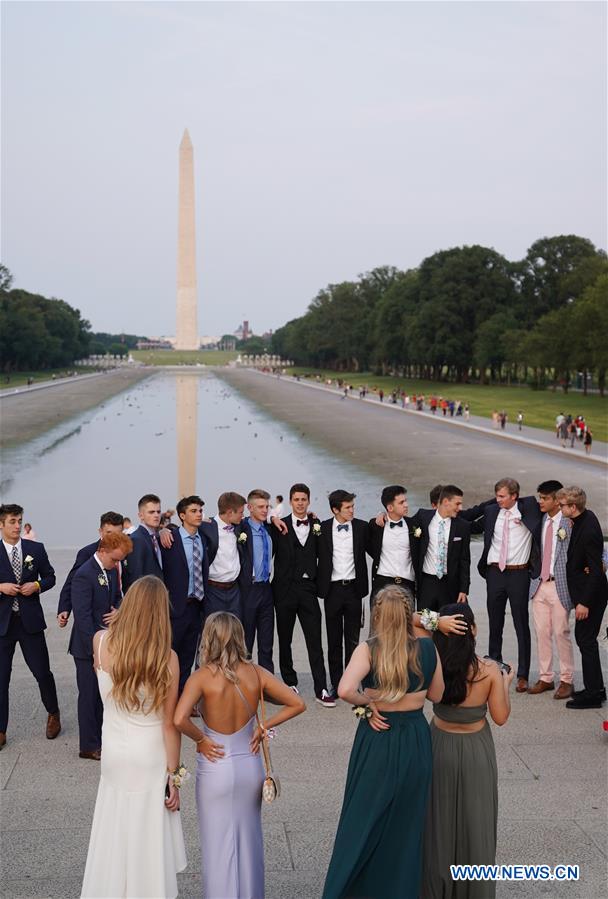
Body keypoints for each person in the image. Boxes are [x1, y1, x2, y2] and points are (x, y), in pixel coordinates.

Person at [322, 586, 444, 899]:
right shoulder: (428, 650)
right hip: (415, 739)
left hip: (377, 736)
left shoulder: (368, 649)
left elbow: (345, 688)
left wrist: (367, 706)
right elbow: (438, 695)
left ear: (376, 615)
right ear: (408, 615)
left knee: (362, 821)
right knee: (407, 824)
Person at [174, 612, 305, 899]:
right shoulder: (256, 673)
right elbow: (297, 703)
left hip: (214, 766)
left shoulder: (201, 678)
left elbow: (179, 718)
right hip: (249, 764)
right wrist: (263, 726)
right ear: (240, 638)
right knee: (249, 841)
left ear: (208, 640)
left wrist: (201, 739)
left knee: (216, 845)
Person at [81, 576, 187, 897]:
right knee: (147, 832)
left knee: (115, 826)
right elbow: (170, 723)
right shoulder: (166, 659)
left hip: (114, 752)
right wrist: (175, 775)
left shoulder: (100, 642)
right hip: (150, 754)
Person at [422, 603, 514, 899]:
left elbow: (411, 625)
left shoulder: (430, 663)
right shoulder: (488, 671)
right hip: (476, 751)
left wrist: (435, 622)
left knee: (437, 826)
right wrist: (506, 684)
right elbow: (500, 717)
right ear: (473, 630)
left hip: (439, 745)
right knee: (477, 824)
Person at [465, 478, 541, 693]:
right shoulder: (491, 512)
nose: (498, 500)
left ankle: (523, 674)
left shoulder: (530, 509)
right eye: (496, 496)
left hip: (519, 573)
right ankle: (495, 667)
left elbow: (546, 505)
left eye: (502, 496)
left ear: (514, 496)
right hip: (494, 573)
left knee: (520, 623)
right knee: (495, 621)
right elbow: (468, 525)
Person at [0, 504, 60, 749]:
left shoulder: (36, 548)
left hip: (30, 623)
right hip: (2, 625)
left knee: (42, 672)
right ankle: (1, 730)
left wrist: (36, 586)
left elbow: (50, 577)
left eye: (19, 521)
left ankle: (53, 713)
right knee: (1, 679)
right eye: (12, 521)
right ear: (1, 525)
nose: (17, 526)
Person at [69, 531, 132, 759]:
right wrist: (95, 650)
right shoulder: (84, 574)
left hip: (108, 642)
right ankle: (88, 745)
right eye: (115, 559)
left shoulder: (111, 571)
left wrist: (118, 611)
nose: (117, 564)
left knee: (104, 694)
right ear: (102, 551)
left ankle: (103, 739)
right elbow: (83, 617)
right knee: (88, 696)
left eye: (119, 560)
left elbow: (117, 597)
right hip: (87, 647)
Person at [272, 483, 334, 707]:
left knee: (315, 640)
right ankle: (289, 682)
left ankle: (321, 688)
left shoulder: (317, 525)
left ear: (308, 501)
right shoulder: (278, 525)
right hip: (285, 590)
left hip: (308, 590)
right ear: (290, 501)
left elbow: (325, 555)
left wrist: (322, 586)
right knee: (285, 639)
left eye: (303, 499)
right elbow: (252, 528)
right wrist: (271, 517)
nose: (300, 503)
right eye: (296, 499)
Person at [557, 487, 608, 709]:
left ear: (573, 507)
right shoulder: (581, 519)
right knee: (586, 640)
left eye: (562, 506)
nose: (560, 509)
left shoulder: (587, 530)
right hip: (587, 593)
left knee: (586, 640)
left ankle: (593, 695)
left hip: (591, 597)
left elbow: (596, 571)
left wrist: (584, 603)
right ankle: (595, 688)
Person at [317, 490, 370, 699]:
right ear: (335, 509)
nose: (352, 510)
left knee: (353, 640)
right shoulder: (321, 528)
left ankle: (353, 681)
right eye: (347, 507)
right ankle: (337, 683)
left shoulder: (362, 527)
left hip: (354, 590)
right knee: (333, 640)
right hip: (332, 590)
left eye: (352, 506)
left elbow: (378, 537)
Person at [527, 481, 574, 700]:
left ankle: (567, 680)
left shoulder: (569, 521)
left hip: (560, 585)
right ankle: (546, 677)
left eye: (545, 498)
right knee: (542, 632)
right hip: (539, 584)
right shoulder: (540, 519)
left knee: (560, 632)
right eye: (540, 497)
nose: (540, 502)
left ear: (557, 500)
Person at [160, 495, 208, 694]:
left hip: (197, 606)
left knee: (189, 657)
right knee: (169, 656)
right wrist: (163, 529)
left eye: (200, 511)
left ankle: (183, 700)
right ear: (182, 515)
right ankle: (165, 699)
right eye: (193, 511)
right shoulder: (169, 539)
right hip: (175, 608)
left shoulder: (204, 538)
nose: (198, 515)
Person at [57, 511, 125, 628]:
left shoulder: (127, 551)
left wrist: (122, 610)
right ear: (100, 532)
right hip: (96, 620)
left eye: (117, 534)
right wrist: (64, 608)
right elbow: (72, 582)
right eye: (109, 533)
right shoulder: (87, 553)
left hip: (120, 615)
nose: (113, 538)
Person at [413, 486, 471, 611]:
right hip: (427, 584)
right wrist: (381, 515)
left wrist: (463, 589)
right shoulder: (422, 517)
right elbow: (404, 523)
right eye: (457, 504)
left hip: (450, 585)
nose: (460, 508)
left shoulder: (463, 526)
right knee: (426, 623)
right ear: (445, 502)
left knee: (448, 624)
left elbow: (464, 560)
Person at [239, 489, 276, 673]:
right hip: (248, 589)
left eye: (267, 506)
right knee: (246, 641)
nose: (265, 510)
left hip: (266, 589)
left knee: (267, 641)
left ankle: (266, 683)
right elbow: (218, 525)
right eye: (261, 507)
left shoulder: (269, 529)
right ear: (249, 508)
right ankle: (245, 682)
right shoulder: (240, 528)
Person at [200, 492, 247, 618]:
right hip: (213, 591)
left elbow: (256, 520)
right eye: (241, 512)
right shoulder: (206, 527)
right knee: (214, 630)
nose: (243, 516)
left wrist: (272, 518)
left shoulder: (239, 527)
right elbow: (184, 528)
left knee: (235, 631)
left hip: (234, 591)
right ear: (230, 512)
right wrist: (165, 531)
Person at [368, 485, 418, 603]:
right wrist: (381, 514)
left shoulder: (415, 525)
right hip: (382, 583)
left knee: (407, 620)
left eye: (406, 501)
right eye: (401, 502)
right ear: (390, 507)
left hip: (407, 584)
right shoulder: (375, 525)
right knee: (380, 620)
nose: (406, 505)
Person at [122, 493, 164, 590]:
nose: (156, 515)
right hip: (145, 598)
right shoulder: (137, 539)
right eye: (151, 512)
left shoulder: (156, 537)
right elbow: (136, 577)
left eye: (158, 512)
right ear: (141, 515)